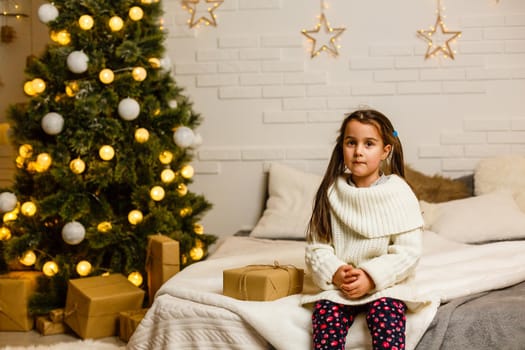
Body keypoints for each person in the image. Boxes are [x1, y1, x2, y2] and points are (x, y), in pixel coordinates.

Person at [301, 109, 426, 350]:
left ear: (385, 151)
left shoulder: (399, 194)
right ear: (342, 147)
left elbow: (408, 253)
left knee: (386, 315)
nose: (358, 151)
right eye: (351, 143)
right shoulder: (330, 193)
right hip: (341, 286)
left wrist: (371, 277)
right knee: (326, 317)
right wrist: (335, 272)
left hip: (385, 285)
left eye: (369, 144)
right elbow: (317, 248)